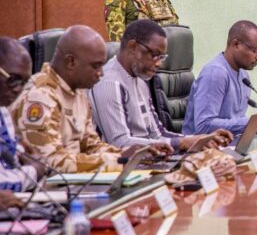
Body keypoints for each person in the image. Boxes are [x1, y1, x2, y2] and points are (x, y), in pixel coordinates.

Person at [11, 26, 155, 173]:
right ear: (71, 62)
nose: (101, 73)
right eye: (95, 66)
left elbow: (91, 146)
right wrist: (117, 161)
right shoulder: (40, 96)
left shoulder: (78, 92)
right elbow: (49, 162)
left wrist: (132, 154)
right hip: (47, 183)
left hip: (75, 180)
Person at [90, 20, 232, 152]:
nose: (159, 64)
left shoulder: (141, 79)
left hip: (151, 159)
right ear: (133, 47)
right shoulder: (110, 83)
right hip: (123, 166)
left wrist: (201, 140)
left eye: (162, 57)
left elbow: (158, 134)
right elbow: (119, 143)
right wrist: (182, 143)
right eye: (155, 55)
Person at [183, 20, 257, 136]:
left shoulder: (244, 76)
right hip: (203, 145)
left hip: (232, 142)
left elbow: (235, 122)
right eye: (254, 50)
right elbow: (204, 126)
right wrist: (253, 122)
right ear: (236, 44)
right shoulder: (215, 73)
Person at [0, 37, 46, 191]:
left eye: (24, 83)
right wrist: (34, 171)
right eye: (13, 79)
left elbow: (9, 162)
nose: (18, 89)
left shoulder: (3, 110)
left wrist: (22, 153)